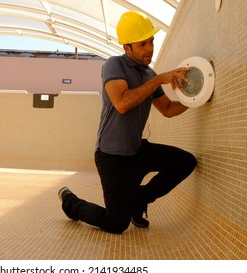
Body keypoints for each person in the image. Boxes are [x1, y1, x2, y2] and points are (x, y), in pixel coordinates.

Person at [58, 11, 197, 234]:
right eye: (143, 44)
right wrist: (159, 79)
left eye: (151, 41)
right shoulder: (114, 65)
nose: (150, 48)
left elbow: (168, 109)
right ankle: (70, 202)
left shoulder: (150, 73)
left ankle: (140, 200)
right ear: (127, 48)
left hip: (137, 151)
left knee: (185, 162)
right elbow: (122, 103)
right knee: (116, 224)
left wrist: (196, 96)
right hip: (111, 156)